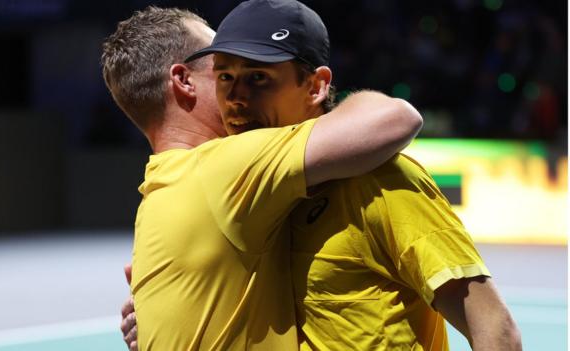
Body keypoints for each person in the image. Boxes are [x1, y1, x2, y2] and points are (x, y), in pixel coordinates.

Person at [114, 1, 522, 350]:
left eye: (258, 78)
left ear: (315, 87)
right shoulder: (257, 197)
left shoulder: (380, 180)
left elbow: (493, 324)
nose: (236, 98)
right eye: (224, 77)